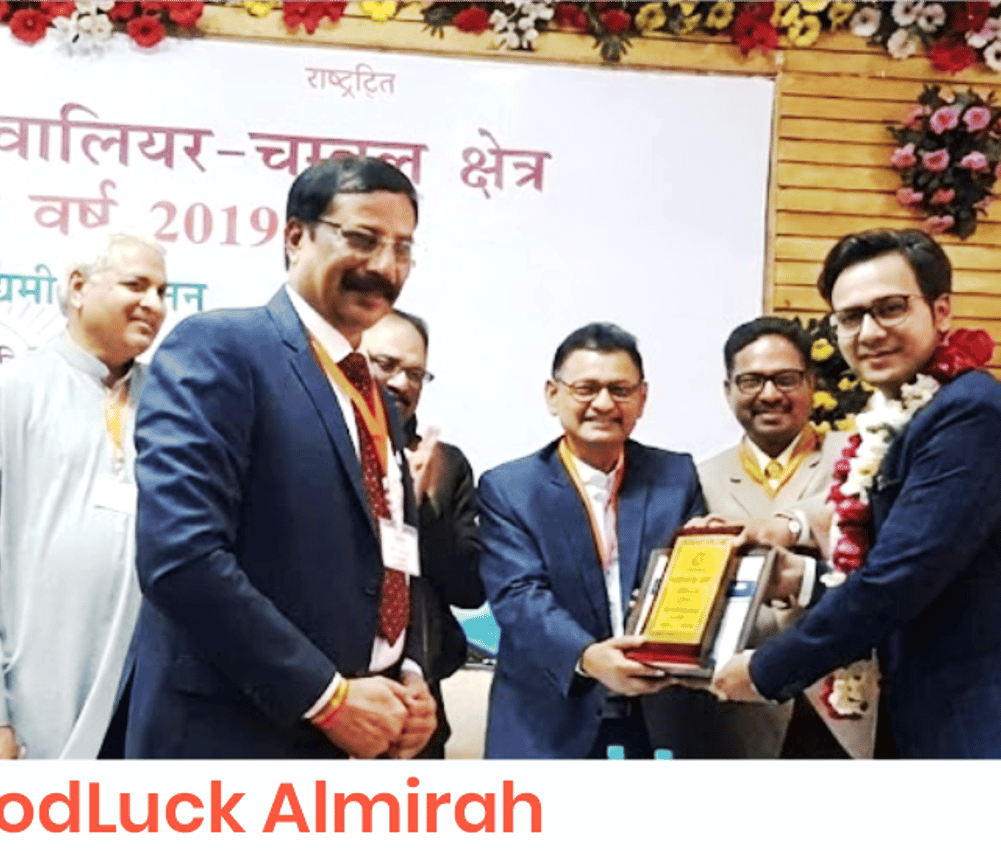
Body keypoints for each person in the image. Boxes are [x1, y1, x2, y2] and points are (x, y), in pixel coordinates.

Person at [712, 229, 1001, 758]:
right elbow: (921, 572)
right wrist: (798, 577)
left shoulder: (972, 415)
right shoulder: (911, 418)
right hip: (950, 715)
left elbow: (899, 579)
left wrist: (765, 670)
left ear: (941, 310)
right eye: (850, 317)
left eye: (890, 308)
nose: (869, 333)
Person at [126, 154, 438, 759]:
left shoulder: (376, 395)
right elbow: (180, 558)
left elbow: (390, 552)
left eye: (403, 247)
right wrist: (326, 698)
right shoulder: (222, 349)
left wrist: (409, 672)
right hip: (229, 742)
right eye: (362, 239)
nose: (385, 266)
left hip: (358, 736)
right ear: (296, 237)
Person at [0, 233, 168, 760]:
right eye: (136, 285)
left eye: (162, 291)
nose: (153, 304)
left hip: (142, 689)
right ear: (78, 288)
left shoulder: (173, 400)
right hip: (26, 692)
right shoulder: (7, 393)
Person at [476, 322, 704, 759]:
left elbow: (693, 579)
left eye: (620, 390)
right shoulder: (510, 488)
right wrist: (588, 656)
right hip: (550, 718)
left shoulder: (675, 477)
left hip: (657, 713)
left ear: (642, 397)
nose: (604, 403)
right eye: (586, 389)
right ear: (553, 395)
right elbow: (518, 597)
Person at [677, 317, 865, 759]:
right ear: (728, 390)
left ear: (811, 383)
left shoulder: (859, 456)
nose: (769, 394)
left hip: (848, 704)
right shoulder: (698, 479)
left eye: (785, 379)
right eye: (751, 381)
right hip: (740, 712)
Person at [359, 308, 484, 759]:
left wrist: (420, 511)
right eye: (386, 365)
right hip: (328, 694)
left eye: (416, 374)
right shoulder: (309, 446)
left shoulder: (443, 465)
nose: (401, 383)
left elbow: (469, 589)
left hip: (416, 701)